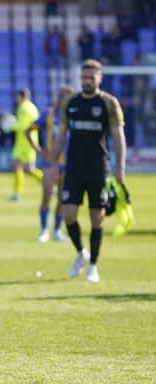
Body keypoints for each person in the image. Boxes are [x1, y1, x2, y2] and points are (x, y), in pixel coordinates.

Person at [50, 59, 127, 283]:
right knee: (68, 214)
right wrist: (53, 165)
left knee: (97, 217)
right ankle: (81, 253)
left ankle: (93, 265)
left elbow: (118, 137)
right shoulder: (70, 103)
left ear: (100, 78)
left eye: (91, 77)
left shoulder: (108, 103)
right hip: (74, 168)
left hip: (99, 169)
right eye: (84, 77)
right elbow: (61, 136)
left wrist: (120, 166)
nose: (87, 81)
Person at [26, 85, 75, 242]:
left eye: (65, 96)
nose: (62, 99)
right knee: (46, 196)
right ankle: (43, 230)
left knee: (62, 198)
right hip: (50, 164)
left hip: (68, 164)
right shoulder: (49, 114)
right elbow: (29, 130)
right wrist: (39, 150)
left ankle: (57, 231)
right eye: (60, 95)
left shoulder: (74, 116)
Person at [10, 88, 42, 202]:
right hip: (29, 141)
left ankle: (17, 194)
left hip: (25, 142)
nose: (16, 99)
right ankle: (17, 194)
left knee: (26, 168)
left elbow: (23, 126)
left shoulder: (23, 108)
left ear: (21, 96)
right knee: (24, 168)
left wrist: (10, 126)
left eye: (17, 97)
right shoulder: (32, 107)